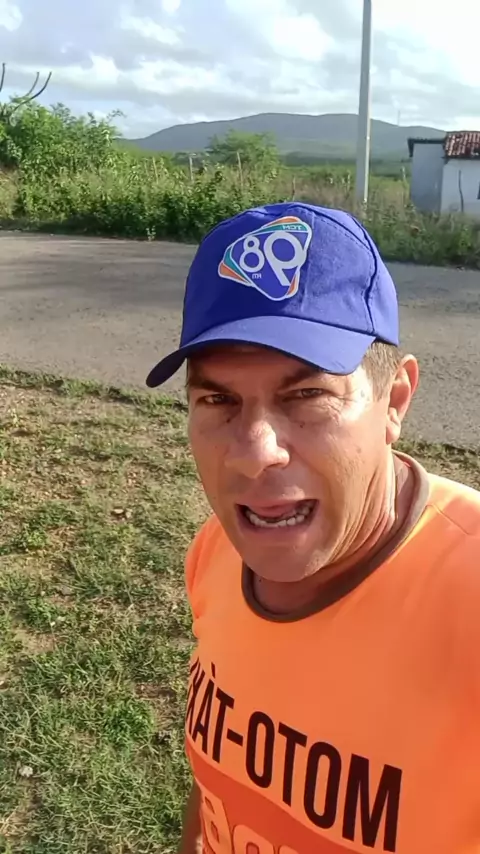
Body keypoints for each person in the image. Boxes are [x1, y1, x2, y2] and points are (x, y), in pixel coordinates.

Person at [146, 203, 480, 854]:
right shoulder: (217, 553)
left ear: (395, 401)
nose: (254, 453)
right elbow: (219, 793)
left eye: (306, 396)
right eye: (217, 399)